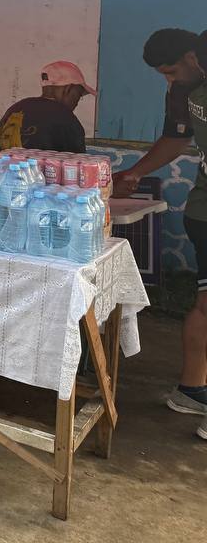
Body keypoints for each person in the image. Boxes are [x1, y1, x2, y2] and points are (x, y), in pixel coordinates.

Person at [111, 28, 207, 427]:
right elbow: (175, 138)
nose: (169, 82)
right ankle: (191, 392)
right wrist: (135, 173)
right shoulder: (184, 91)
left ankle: (192, 391)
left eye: (171, 72)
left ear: (192, 57)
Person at [0, 60, 94, 158]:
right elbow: (78, 166)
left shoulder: (17, 107)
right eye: (78, 95)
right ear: (68, 89)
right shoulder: (66, 118)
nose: (77, 102)